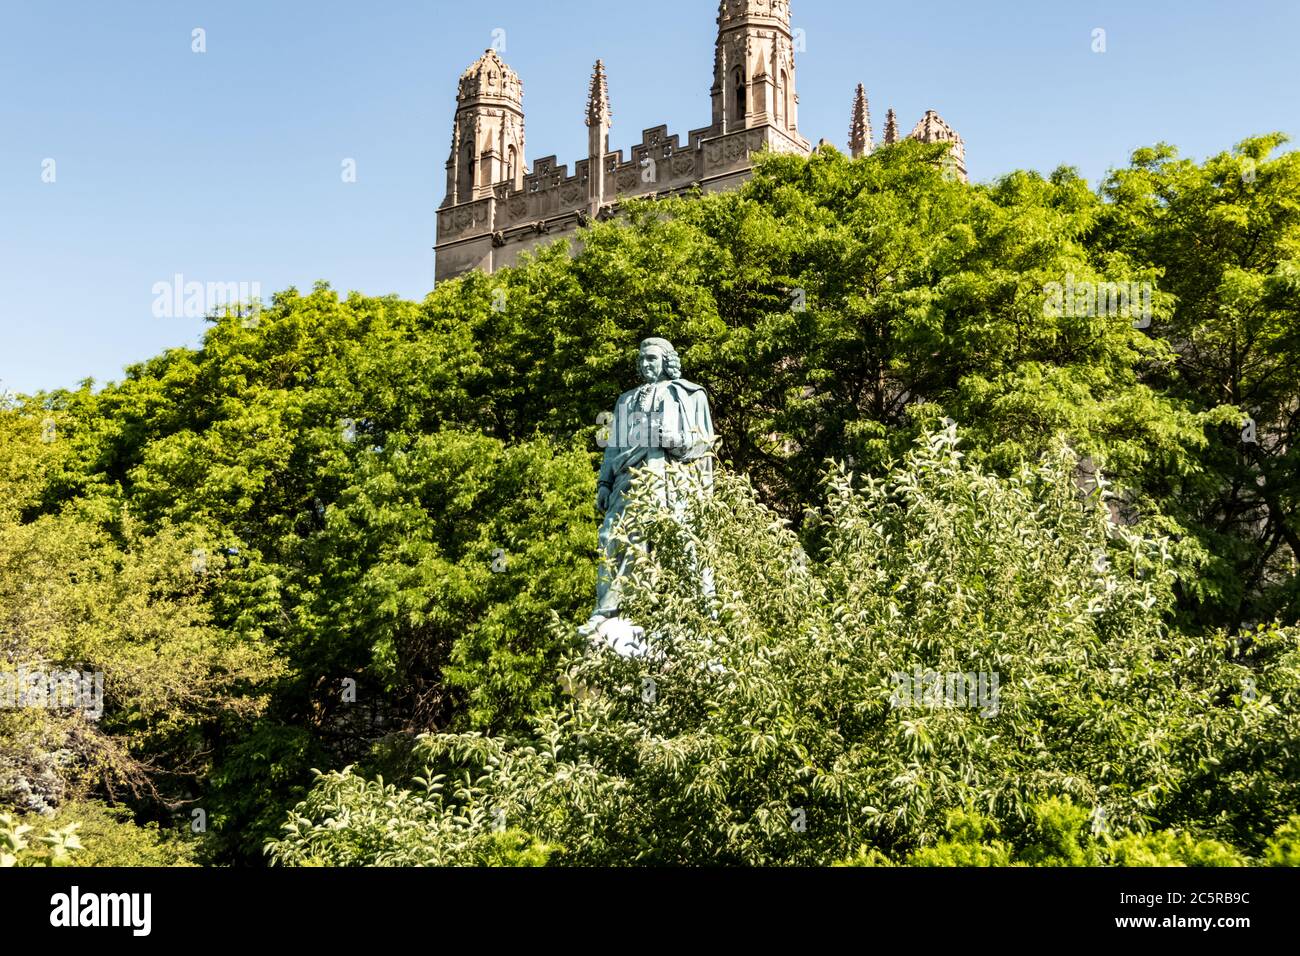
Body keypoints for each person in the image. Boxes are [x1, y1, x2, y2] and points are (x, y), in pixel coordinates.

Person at [583, 337, 715, 635]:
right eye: (641, 360)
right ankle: (609, 610)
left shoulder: (690, 395)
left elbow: (706, 444)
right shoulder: (626, 399)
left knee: (678, 544)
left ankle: (693, 613)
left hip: (673, 482)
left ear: (667, 361)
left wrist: (674, 440)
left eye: (651, 359)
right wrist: (604, 482)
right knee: (612, 537)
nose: (645, 365)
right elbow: (613, 446)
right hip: (628, 483)